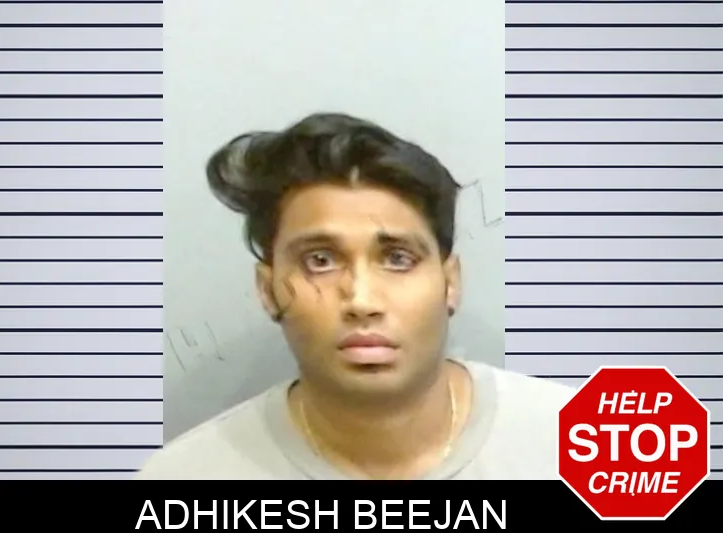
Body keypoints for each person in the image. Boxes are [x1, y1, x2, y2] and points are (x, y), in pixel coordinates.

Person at [138, 112, 575, 480]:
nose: (362, 300)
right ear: (268, 290)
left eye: (398, 258)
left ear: (451, 282)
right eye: (320, 261)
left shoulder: (587, 447)